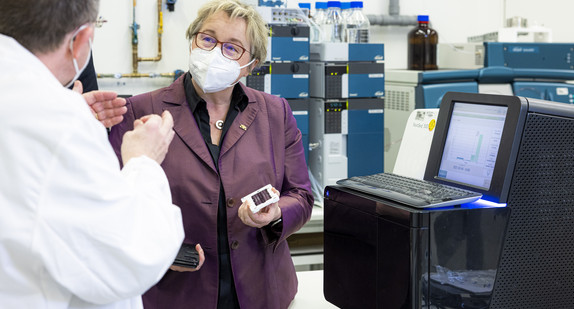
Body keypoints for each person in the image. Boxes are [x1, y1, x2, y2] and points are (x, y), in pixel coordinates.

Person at [108, 0, 314, 308]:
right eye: (208, 39)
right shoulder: (140, 110)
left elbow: (300, 195)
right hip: (176, 292)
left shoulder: (275, 113)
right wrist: (159, 252)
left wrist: (275, 213)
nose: (216, 52)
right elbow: (111, 204)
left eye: (232, 48)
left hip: (262, 293)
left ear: (252, 64)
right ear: (193, 40)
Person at [0, 1, 186, 308]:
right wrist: (143, 160)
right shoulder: (53, 120)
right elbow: (131, 253)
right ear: (82, 39)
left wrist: (70, 117)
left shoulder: (32, 103)